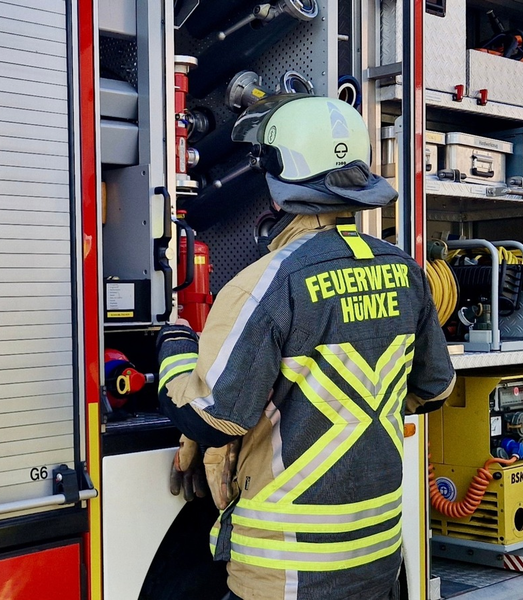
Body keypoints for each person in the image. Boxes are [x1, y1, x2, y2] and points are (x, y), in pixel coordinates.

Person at [157, 94, 457, 599]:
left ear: (277, 182)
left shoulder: (267, 283)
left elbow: (213, 416)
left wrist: (175, 346)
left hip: (283, 573)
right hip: (377, 560)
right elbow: (434, 388)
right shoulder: (407, 271)